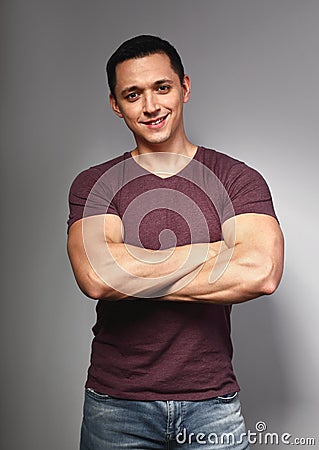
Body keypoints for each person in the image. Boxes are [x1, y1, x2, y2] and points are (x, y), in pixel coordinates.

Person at [67, 35, 284, 450]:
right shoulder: (95, 184)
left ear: (184, 87)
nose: (151, 107)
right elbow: (97, 277)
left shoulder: (237, 179)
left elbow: (261, 273)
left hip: (212, 404)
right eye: (133, 94)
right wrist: (217, 253)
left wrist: (133, 268)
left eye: (161, 88)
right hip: (116, 406)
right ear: (116, 104)